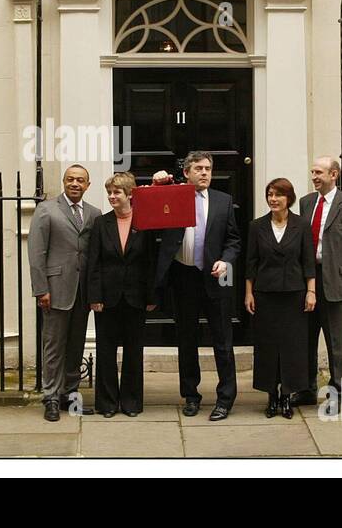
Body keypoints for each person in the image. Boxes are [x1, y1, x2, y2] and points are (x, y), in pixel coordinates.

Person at [151, 152, 242, 421]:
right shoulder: (173, 194)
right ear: (187, 172)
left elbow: (233, 240)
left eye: (208, 169)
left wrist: (226, 261)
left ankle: (225, 398)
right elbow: (147, 213)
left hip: (215, 276)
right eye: (198, 168)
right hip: (184, 275)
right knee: (187, 339)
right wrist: (158, 185)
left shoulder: (223, 201)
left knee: (222, 339)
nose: (204, 173)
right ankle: (191, 395)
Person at [27, 165, 101, 421]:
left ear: (87, 185)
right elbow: (36, 253)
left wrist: (95, 292)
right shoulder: (46, 210)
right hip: (56, 290)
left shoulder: (94, 213)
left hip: (82, 293)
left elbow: (93, 254)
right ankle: (50, 397)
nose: (75, 184)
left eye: (80, 180)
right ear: (64, 182)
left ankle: (70, 395)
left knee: (75, 346)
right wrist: (41, 289)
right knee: (53, 346)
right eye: (70, 179)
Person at [85, 172, 159, 417]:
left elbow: (151, 262)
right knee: (106, 351)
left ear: (130, 195)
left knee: (133, 352)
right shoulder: (101, 223)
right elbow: (93, 262)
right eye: (110, 192)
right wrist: (94, 296)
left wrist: (151, 297)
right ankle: (106, 403)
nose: (112, 197)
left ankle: (131, 403)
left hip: (136, 298)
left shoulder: (145, 222)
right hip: (107, 298)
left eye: (116, 192)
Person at [299, 156, 342, 415]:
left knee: (338, 341)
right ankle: (306, 388)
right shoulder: (306, 203)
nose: (315, 177)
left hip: (336, 280)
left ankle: (337, 393)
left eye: (319, 172)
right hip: (309, 278)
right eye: (312, 172)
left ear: (334, 175)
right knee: (306, 337)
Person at [245, 178, 316, 418]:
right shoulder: (257, 226)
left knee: (292, 347)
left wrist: (311, 291)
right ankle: (271, 396)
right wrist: (248, 293)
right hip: (265, 294)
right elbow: (250, 263)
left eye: (278, 195)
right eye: (270, 194)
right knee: (267, 347)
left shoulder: (302, 225)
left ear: (289, 198)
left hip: (294, 295)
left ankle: (287, 395)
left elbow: (308, 261)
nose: (273, 199)